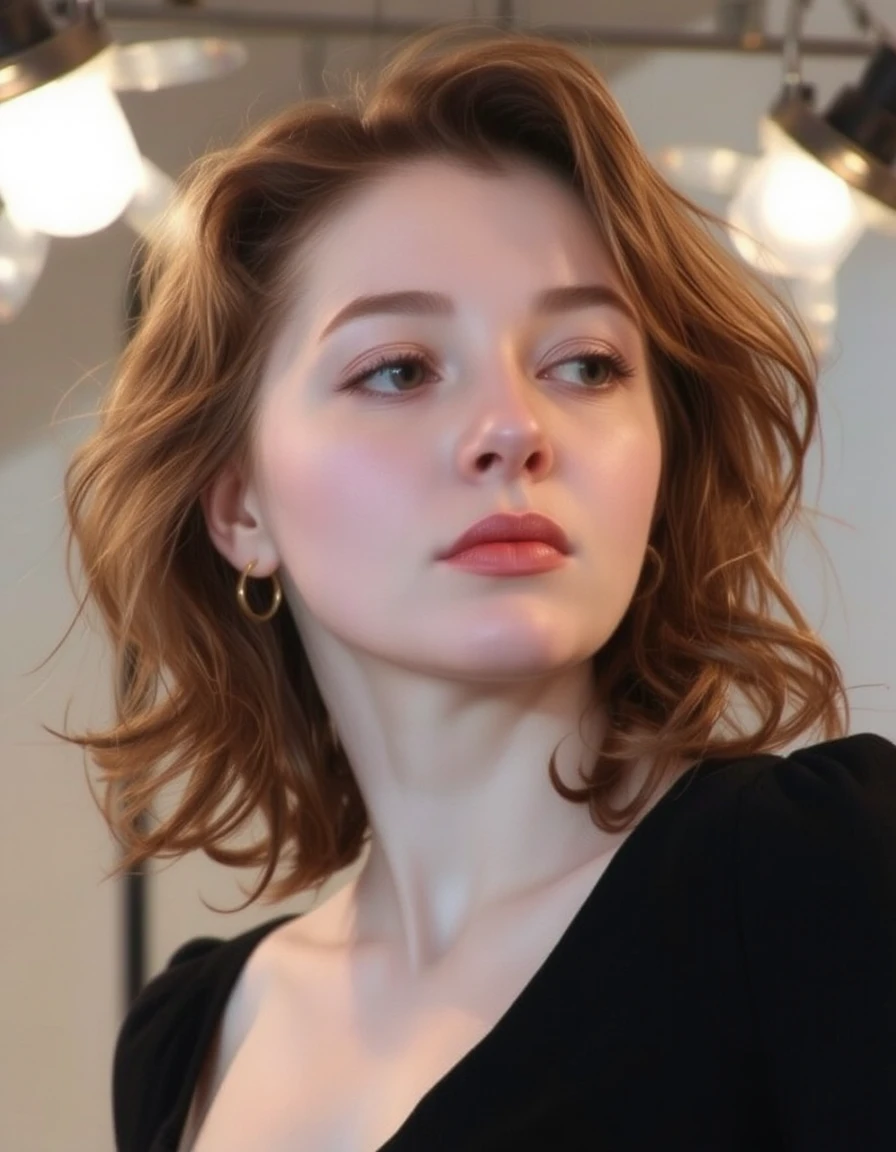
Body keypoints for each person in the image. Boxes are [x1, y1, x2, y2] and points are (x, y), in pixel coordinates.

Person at [51, 21, 896, 1152]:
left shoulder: (817, 877)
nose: (513, 426)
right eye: (398, 369)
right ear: (241, 509)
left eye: (585, 364)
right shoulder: (184, 1041)